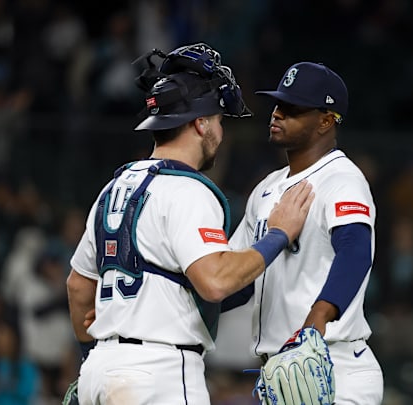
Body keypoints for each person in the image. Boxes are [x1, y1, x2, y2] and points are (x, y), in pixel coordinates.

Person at [65, 43, 314, 405]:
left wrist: (93, 356)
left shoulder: (113, 187)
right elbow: (214, 282)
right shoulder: (187, 190)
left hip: (99, 372)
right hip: (160, 372)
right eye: (218, 120)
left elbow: (77, 287)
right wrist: (279, 234)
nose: (220, 131)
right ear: (200, 123)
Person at [228, 61, 384, 404]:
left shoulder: (342, 180)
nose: (277, 114)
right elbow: (237, 280)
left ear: (326, 120)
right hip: (282, 372)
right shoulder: (266, 189)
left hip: (333, 363)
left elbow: (355, 251)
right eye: (277, 104)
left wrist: (317, 320)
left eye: (292, 108)